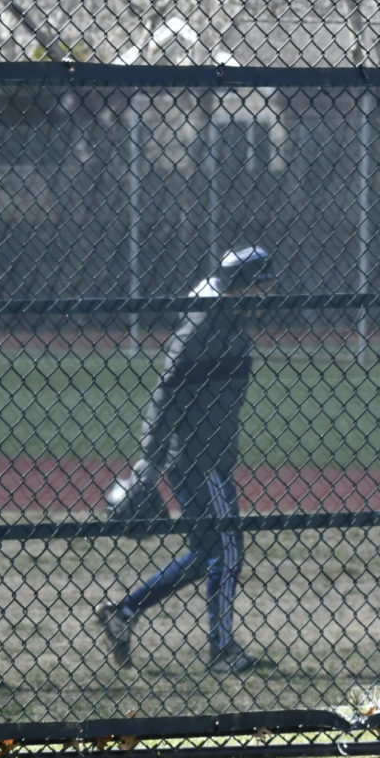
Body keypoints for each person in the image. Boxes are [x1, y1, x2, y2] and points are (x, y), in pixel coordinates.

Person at [98, 246, 273, 672]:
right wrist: (148, 461)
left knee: (204, 552)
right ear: (243, 286)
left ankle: (124, 613)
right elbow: (166, 395)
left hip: (211, 454)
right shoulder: (203, 326)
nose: (266, 295)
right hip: (199, 457)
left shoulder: (228, 320)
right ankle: (222, 651)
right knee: (228, 549)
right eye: (261, 285)